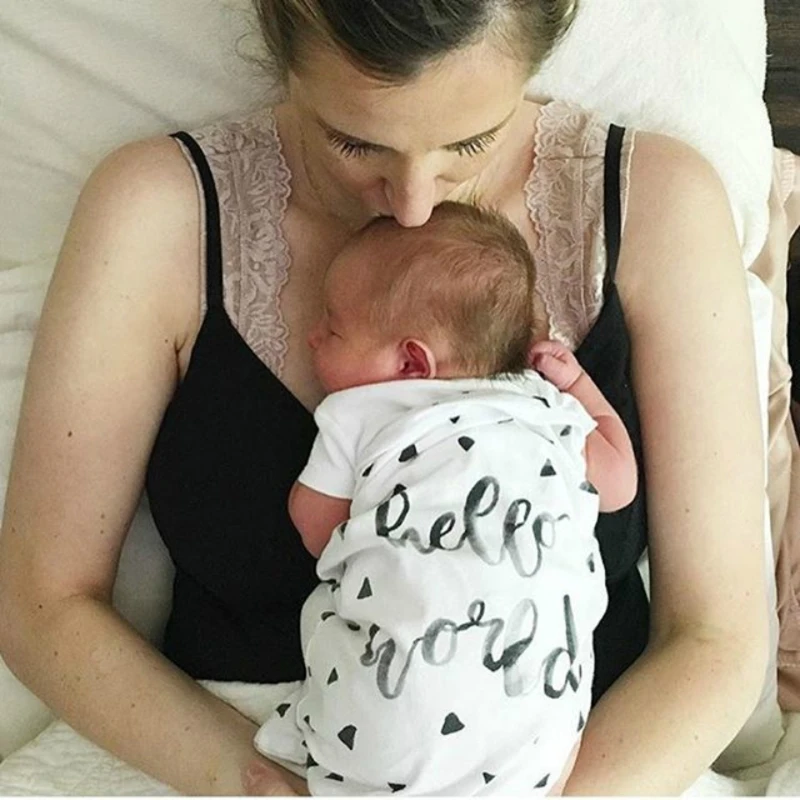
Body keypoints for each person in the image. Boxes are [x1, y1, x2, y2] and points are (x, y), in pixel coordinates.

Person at [0, 0, 768, 795]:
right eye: (353, 141)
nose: (413, 205)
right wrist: (258, 784)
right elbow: (44, 605)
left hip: (591, 771)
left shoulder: (656, 201)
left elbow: (716, 638)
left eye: (470, 142)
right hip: (232, 756)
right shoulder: (157, 210)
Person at [253, 202, 636, 795]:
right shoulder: (545, 408)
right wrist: (579, 386)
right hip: (533, 734)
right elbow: (619, 484)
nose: (311, 336)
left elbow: (315, 528)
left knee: (343, 629)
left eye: (331, 327)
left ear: (412, 362)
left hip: (381, 722)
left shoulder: (360, 411)